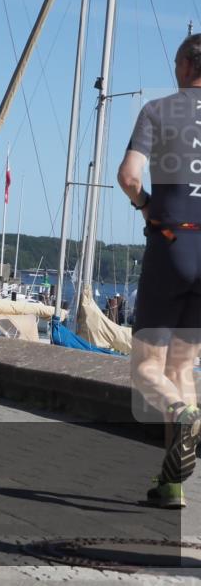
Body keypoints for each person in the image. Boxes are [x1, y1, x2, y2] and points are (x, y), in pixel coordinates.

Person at [118, 33, 201, 508]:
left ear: (187, 66)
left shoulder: (158, 111)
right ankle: (171, 486)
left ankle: (182, 411)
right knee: (182, 365)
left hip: (173, 242)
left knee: (148, 368)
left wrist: (146, 204)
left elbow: (128, 176)